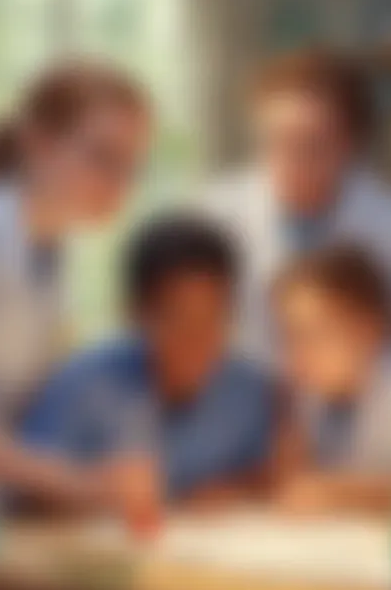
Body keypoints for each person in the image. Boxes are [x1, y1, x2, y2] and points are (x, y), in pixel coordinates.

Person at [0, 61, 152, 510]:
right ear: (38, 145)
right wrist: (66, 479)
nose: (119, 182)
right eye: (103, 157)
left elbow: (28, 411)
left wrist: (99, 466)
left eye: (131, 165)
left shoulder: (52, 260)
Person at [201, 49, 391, 361]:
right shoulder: (212, 219)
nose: (290, 160)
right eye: (274, 140)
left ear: (350, 144)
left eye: (311, 144)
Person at [23, 216, 276, 510]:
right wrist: (88, 487)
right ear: (134, 313)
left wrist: (237, 490)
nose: (197, 340)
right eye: (178, 319)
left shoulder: (249, 392)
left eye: (213, 318)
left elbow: (271, 479)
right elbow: (26, 496)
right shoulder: (84, 385)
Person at [271, 245, 391, 515]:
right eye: (289, 336)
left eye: (313, 334)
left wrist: (342, 493)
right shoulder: (310, 397)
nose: (298, 353)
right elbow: (294, 486)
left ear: (369, 329)